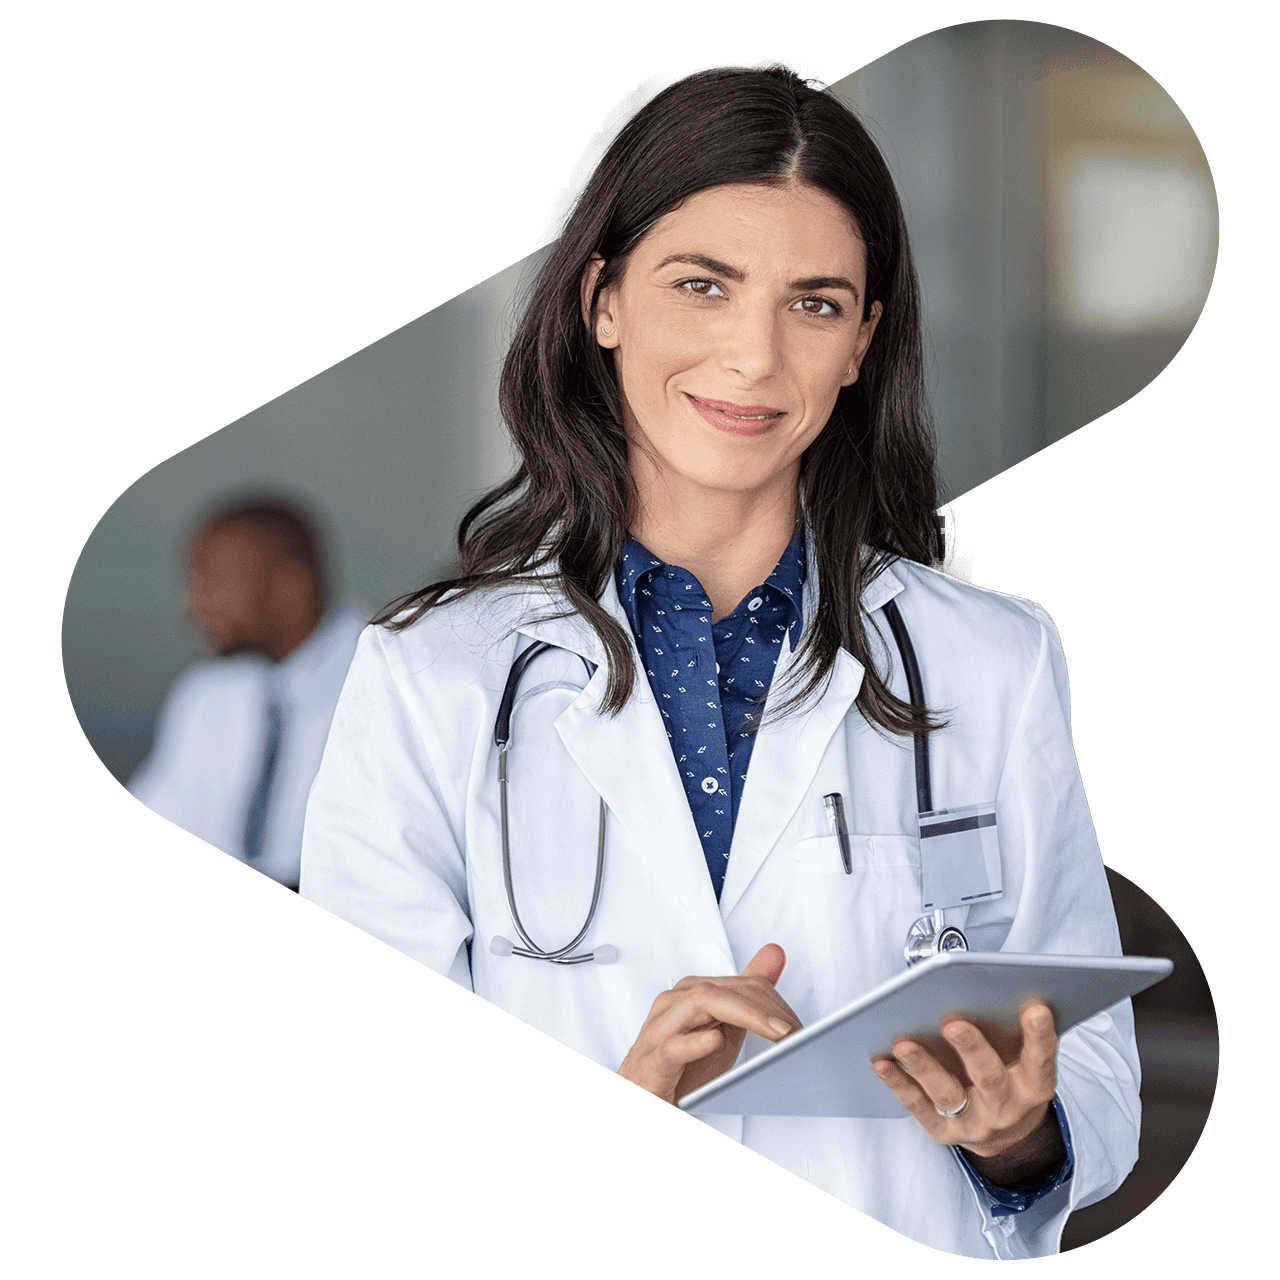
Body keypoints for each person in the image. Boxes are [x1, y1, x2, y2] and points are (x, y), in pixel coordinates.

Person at [299, 65, 1139, 1258]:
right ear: (603, 301)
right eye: (702, 285)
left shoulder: (989, 659)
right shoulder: (431, 673)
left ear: (860, 344)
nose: (752, 357)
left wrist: (1016, 1131)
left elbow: (1089, 1067)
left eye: (812, 303)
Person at [129, 497, 365, 890]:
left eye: (214, 584)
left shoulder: (387, 685)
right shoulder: (206, 696)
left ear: (290, 587)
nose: (193, 607)